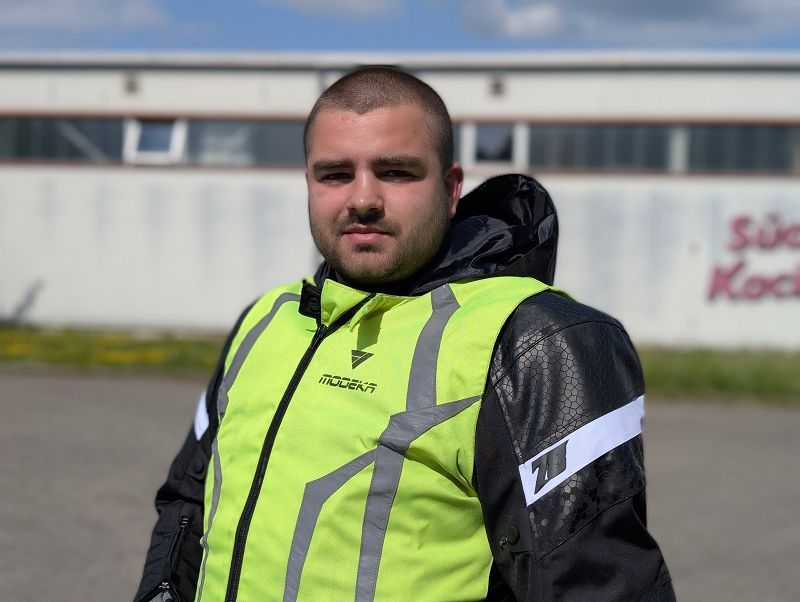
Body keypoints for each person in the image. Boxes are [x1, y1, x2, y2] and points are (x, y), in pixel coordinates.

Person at [135, 66, 674, 601]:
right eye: (335, 174)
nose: (363, 198)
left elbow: (597, 587)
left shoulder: (534, 342)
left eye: (395, 172)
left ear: (451, 188)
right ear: (309, 184)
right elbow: (187, 502)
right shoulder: (264, 320)